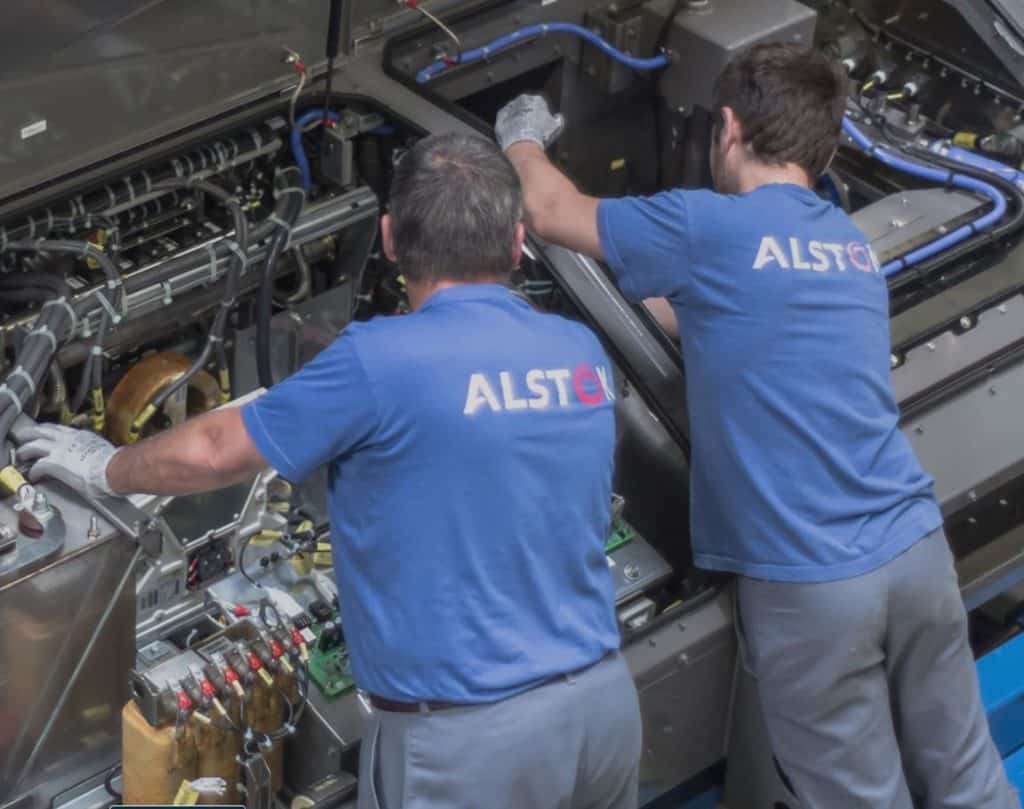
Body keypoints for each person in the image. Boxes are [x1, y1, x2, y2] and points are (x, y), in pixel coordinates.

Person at [18, 132, 642, 809]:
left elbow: (213, 451)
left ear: (390, 240)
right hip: (602, 707)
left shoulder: (381, 360)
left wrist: (104, 466)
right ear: (518, 241)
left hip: (471, 745)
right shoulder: (577, 349)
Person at [495, 43, 1017, 809]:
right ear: (830, 149)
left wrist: (519, 136)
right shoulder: (848, 246)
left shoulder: (708, 227)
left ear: (728, 127)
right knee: (970, 782)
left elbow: (548, 211)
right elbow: (717, 313)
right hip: (915, 552)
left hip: (812, 585)